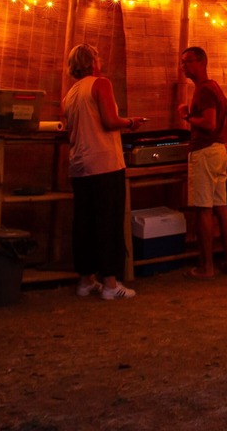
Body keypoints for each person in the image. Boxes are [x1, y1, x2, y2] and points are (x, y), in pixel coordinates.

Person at [62, 43, 146, 300]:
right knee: (109, 222)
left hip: (80, 165)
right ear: (93, 62)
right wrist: (130, 122)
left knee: (84, 224)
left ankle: (85, 280)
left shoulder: (70, 94)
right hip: (105, 163)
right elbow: (109, 121)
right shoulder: (101, 84)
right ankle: (110, 283)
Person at [178, 46, 227, 279]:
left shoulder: (204, 90)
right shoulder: (214, 87)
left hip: (204, 152)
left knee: (204, 209)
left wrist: (186, 115)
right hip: (216, 151)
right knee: (221, 207)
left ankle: (207, 267)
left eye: (188, 61)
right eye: (182, 62)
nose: (184, 66)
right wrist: (222, 139)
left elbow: (208, 123)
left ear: (202, 62)